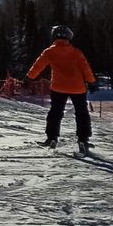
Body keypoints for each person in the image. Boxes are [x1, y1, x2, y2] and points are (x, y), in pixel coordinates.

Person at [27, 25, 96, 153]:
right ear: (69, 37)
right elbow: (85, 68)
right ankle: (83, 139)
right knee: (82, 113)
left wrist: (29, 78)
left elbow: (38, 65)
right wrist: (91, 82)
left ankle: (52, 138)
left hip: (58, 87)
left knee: (55, 112)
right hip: (78, 88)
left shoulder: (49, 52)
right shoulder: (76, 52)